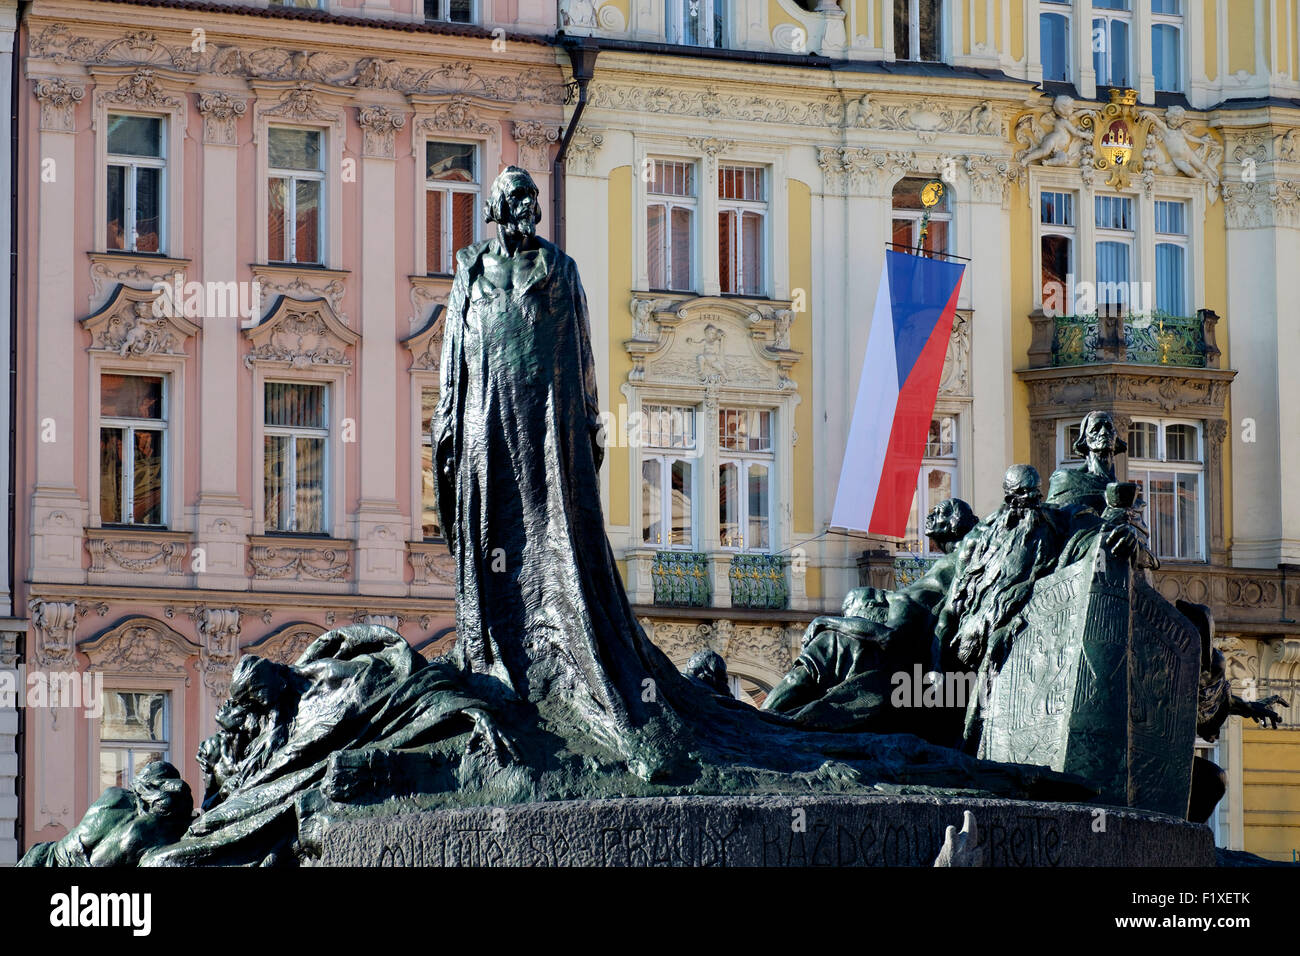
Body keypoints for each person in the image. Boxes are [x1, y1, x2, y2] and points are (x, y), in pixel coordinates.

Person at [433, 166, 689, 777]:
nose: (528, 207)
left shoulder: (558, 268)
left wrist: (591, 421)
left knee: (554, 537)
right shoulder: (470, 266)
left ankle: (565, 661)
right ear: (495, 206)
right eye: (516, 198)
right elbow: (453, 349)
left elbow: (582, 351)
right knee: (492, 533)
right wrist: (446, 418)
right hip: (484, 412)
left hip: (547, 417)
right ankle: (495, 656)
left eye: (532, 197)